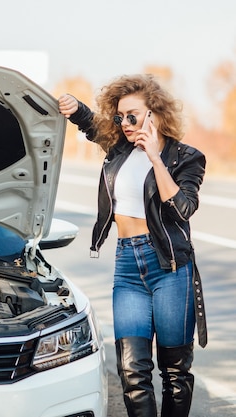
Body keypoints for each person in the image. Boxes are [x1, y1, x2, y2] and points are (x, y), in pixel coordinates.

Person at [58, 74, 207, 417]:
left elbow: (183, 207)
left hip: (169, 267)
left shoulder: (186, 157)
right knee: (132, 372)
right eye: (120, 116)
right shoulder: (118, 148)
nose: (125, 123)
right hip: (127, 266)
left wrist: (155, 158)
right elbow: (89, 124)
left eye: (133, 116)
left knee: (174, 372)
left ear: (154, 113)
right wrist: (75, 107)